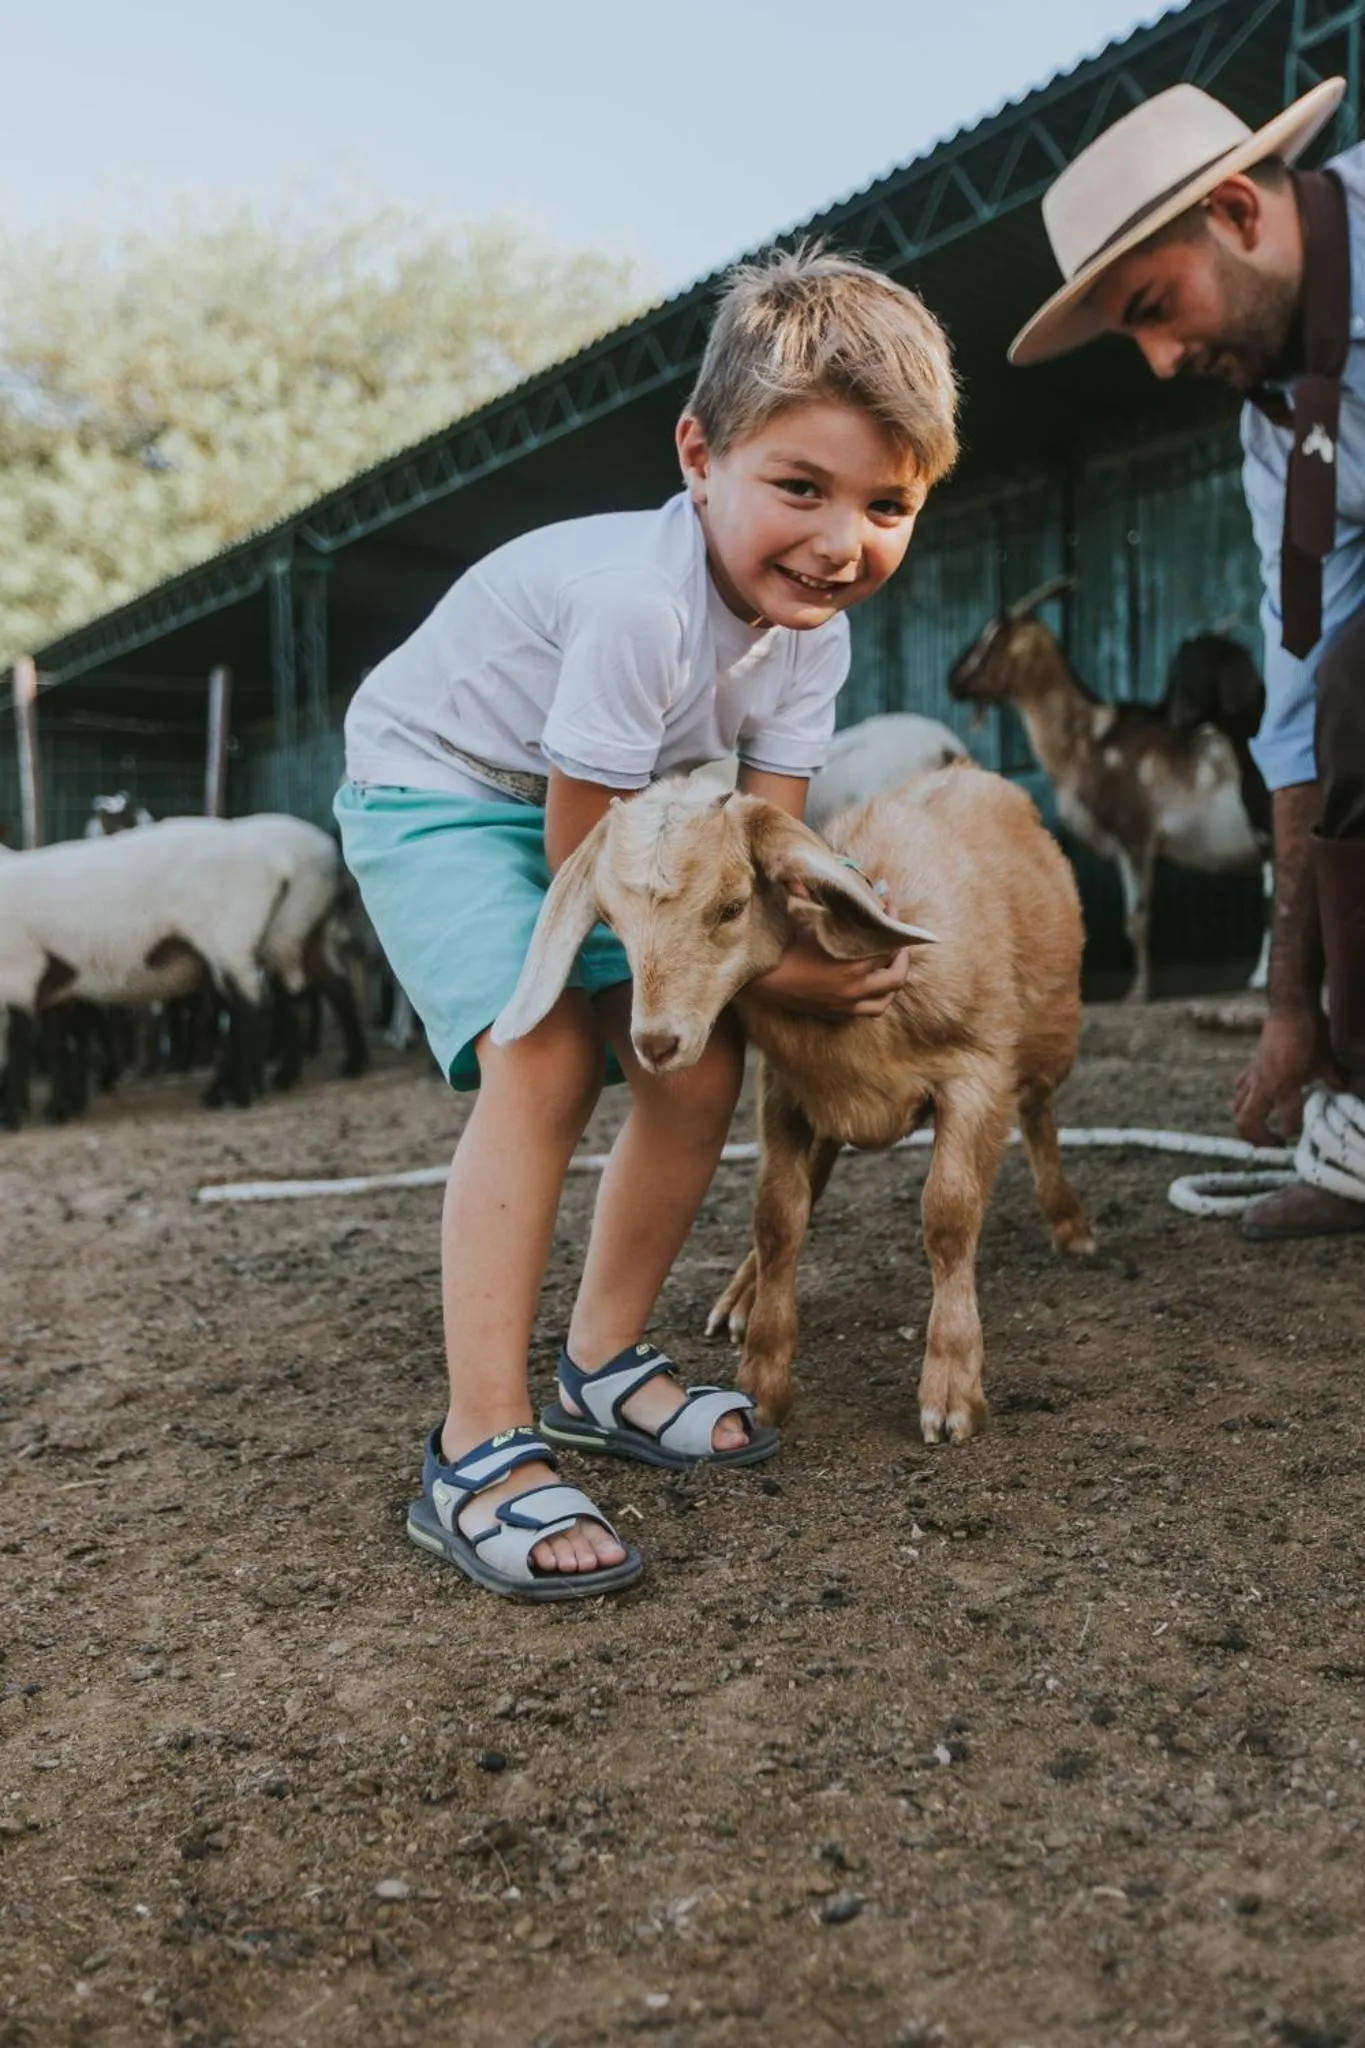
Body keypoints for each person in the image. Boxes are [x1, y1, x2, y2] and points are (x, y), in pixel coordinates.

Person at [334, 248, 959, 1600]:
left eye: (887, 504)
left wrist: (809, 950)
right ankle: (475, 1449)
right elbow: (585, 857)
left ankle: (598, 1364)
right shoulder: (637, 605)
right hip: (449, 786)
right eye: (799, 488)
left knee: (698, 1064)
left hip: (633, 823)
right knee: (548, 1050)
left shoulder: (816, 634)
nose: (842, 540)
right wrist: (776, 977)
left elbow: (756, 847)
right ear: (699, 454)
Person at [1009, 76, 1365, 1240]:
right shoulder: (1283, 435)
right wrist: (1289, 1007)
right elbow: (1303, 698)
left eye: (1155, 306)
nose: (1158, 361)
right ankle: (1358, 1108)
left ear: (1238, 213)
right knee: (1351, 687)